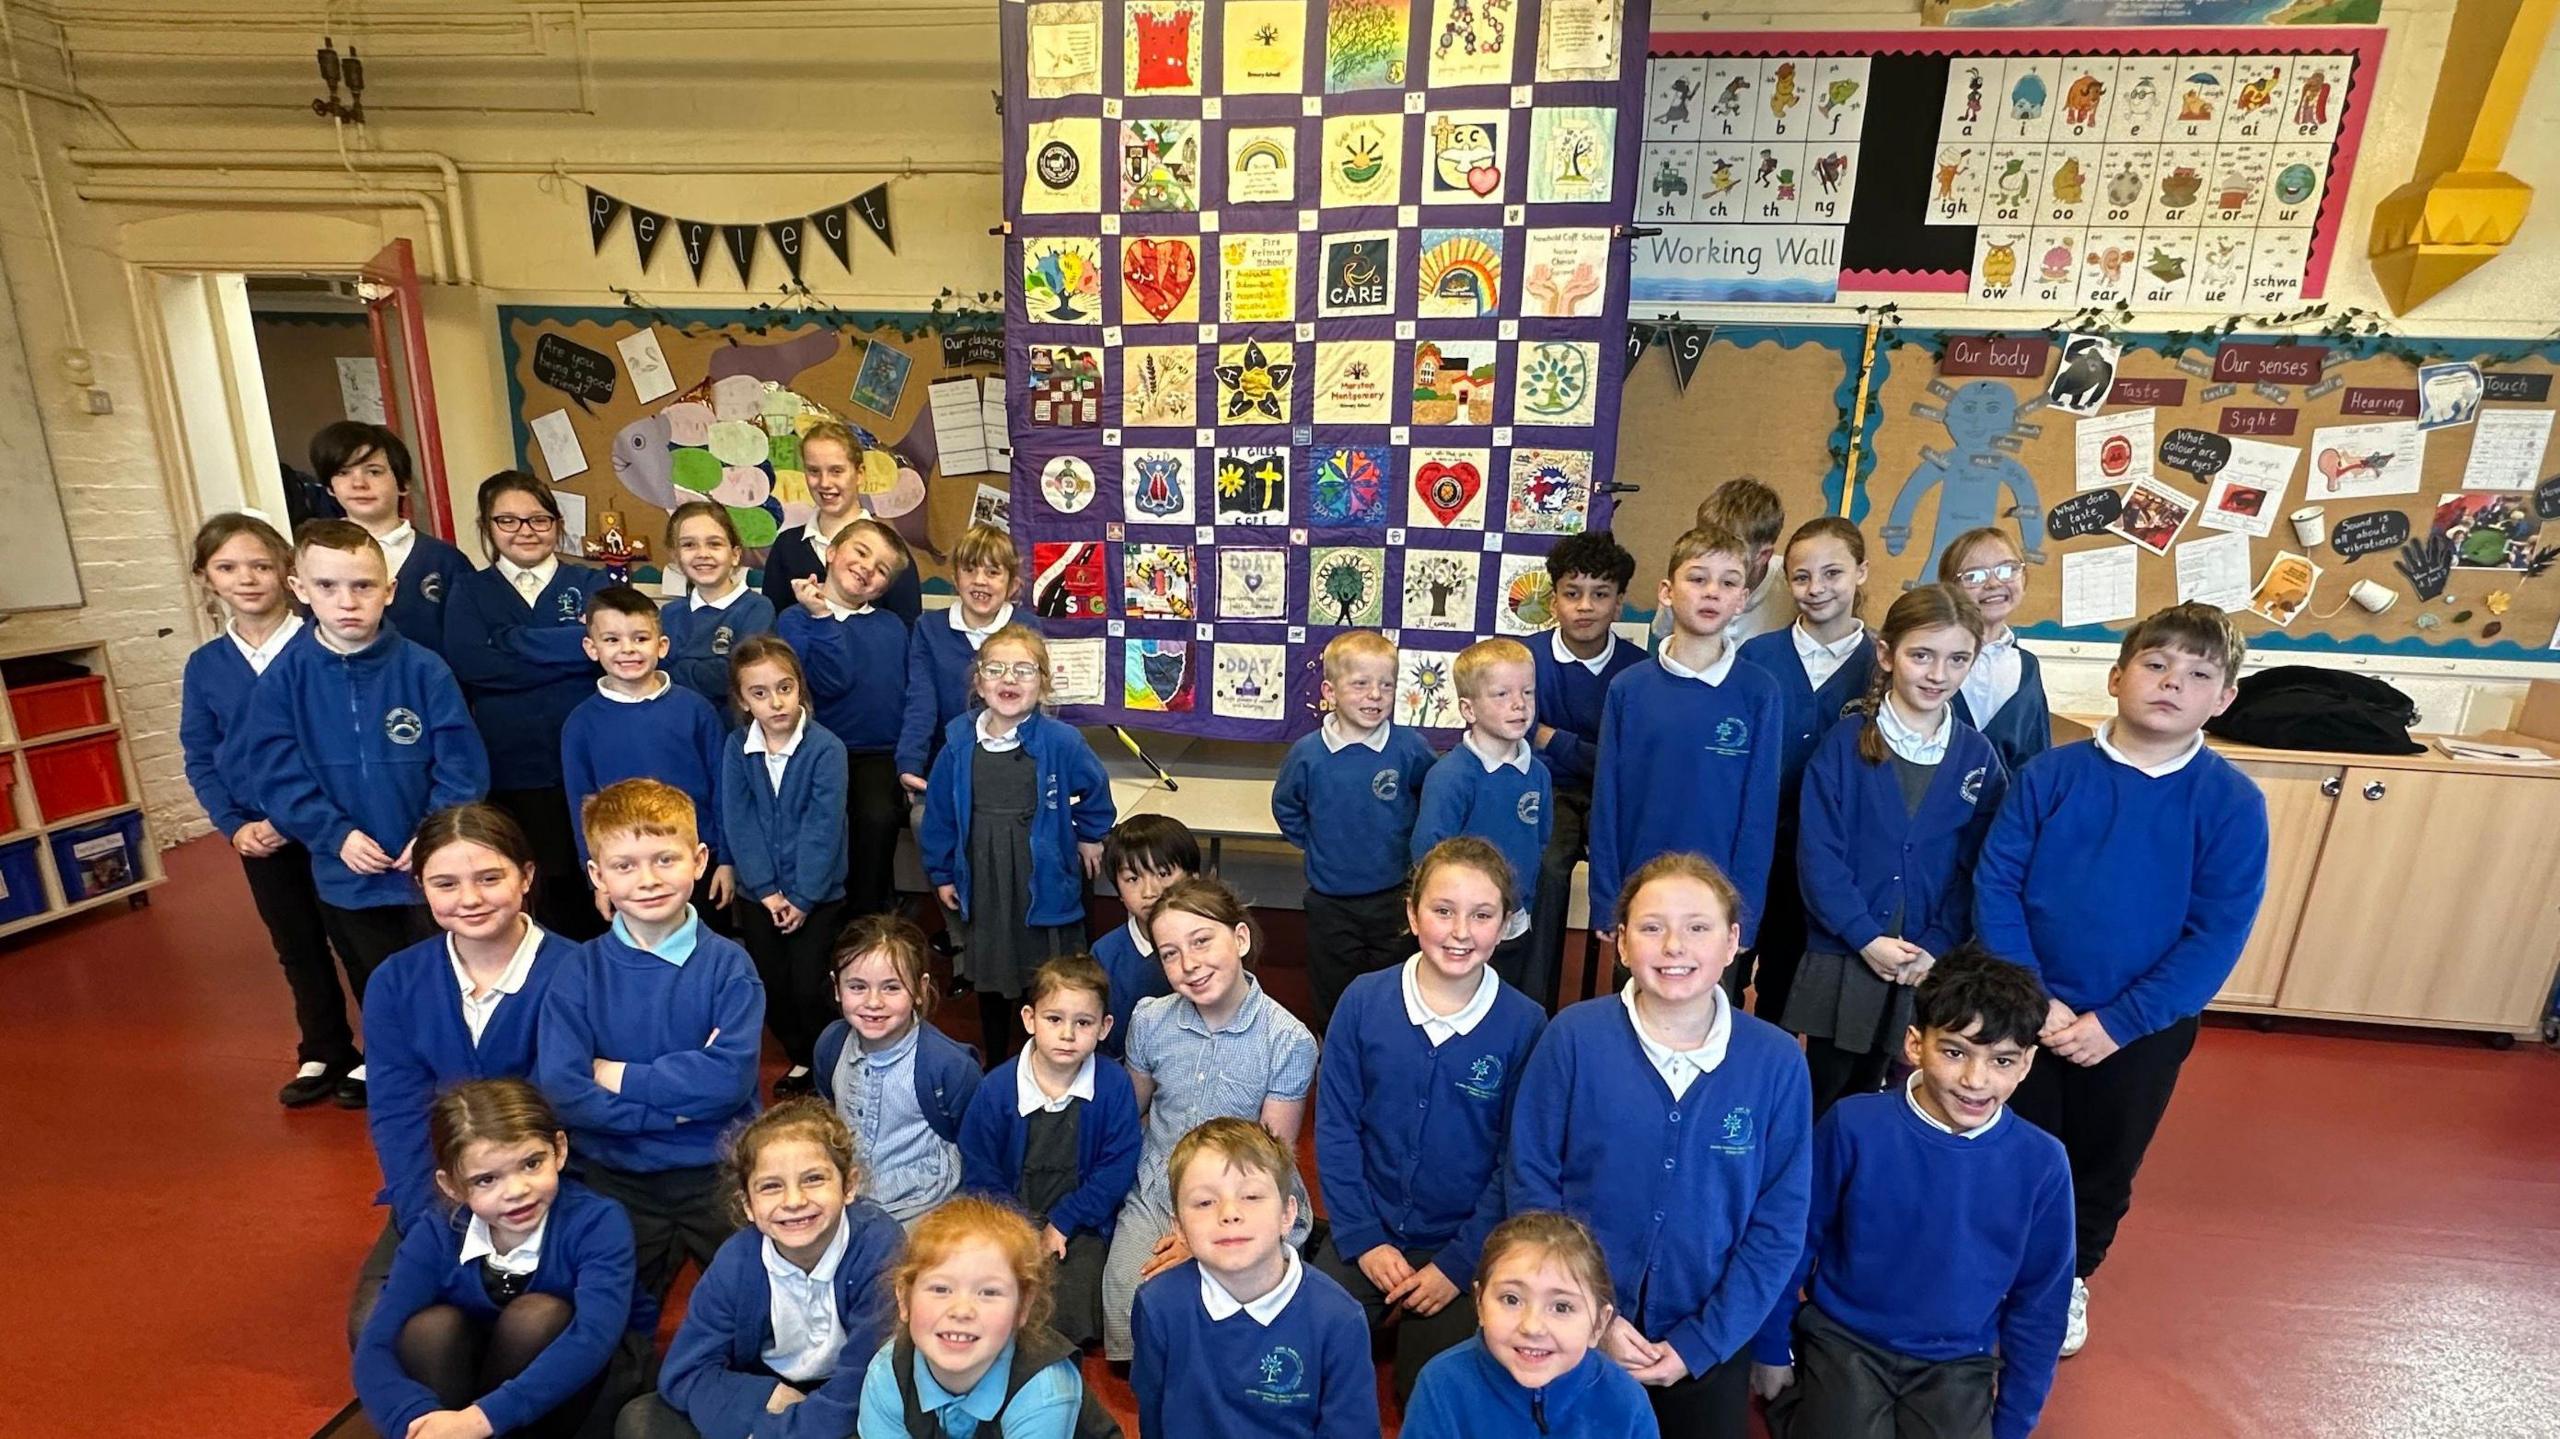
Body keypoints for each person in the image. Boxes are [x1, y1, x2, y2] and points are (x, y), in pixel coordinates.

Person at [1973, 601, 2268, 1357]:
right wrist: (2034, 998)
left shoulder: (2232, 802)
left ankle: (2068, 1278)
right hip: (2026, 1009)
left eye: (2199, 673)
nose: (2173, 682)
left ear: (2224, 696)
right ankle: (1990, 1271)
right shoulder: (2050, 775)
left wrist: (2120, 1022)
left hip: (2140, 1030)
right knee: (2010, 1146)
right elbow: (1998, 881)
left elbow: (2217, 932)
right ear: (2117, 676)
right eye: (2156, 663)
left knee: (2104, 1161)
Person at [1507, 853, 1813, 1439]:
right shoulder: (1572, 1037)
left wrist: (1702, 1341)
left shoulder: (1775, 1062)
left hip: (1706, 1334)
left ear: (1732, 943)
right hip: (1571, 1319)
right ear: (1621, 944)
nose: (1674, 945)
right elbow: (1532, 1183)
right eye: (1651, 927)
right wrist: (1594, 1317)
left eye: (1697, 927)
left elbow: (1779, 1224)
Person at [1752, 948, 2074, 1439]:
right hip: (1844, 1340)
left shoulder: (2043, 1163)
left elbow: (2040, 1303)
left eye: (2002, 1060)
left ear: (2026, 1064)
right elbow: (1794, 1239)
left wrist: (2011, 1423)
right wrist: (1771, 1348)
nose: (1975, 1080)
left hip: (1956, 1359)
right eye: (1954, 1051)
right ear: (1913, 1044)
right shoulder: (1853, 1125)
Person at [238, 519, 491, 1109]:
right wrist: (335, 835)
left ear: (390, 590)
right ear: (300, 588)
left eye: (363, 586)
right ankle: (394, 1068)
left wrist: (431, 833)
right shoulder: (285, 679)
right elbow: (276, 773)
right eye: (328, 587)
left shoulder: (424, 669)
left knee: (444, 971)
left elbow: (460, 763)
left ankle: (457, 1073)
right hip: (345, 869)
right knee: (374, 976)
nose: (347, 602)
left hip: (426, 868)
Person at [1313, 837, 1548, 1402]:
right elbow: (1337, 1129)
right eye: (1443, 911)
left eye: (1482, 915)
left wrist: (1458, 1263)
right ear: (1412, 913)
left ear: (1506, 924)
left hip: (1461, 1245)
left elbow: (1514, 1162)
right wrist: (1364, 1239)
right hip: (1365, 1230)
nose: (1460, 932)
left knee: (1430, 1389)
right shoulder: (1363, 1001)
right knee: (1310, 1354)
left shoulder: (1526, 1024)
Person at [355, 804, 579, 1343]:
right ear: (421, 887)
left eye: (489, 878)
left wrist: (515, 1211)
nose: (470, 899)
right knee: (386, 1332)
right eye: (445, 883)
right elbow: (398, 1116)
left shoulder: (580, 972)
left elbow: (576, 1113)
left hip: (548, 1198)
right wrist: (437, 1216)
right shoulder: (396, 982)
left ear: (526, 877)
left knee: (529, 1331)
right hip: (445, 1197)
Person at [536, 778, 765, 1301]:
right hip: (616, 1177)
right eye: (624, 866)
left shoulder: (730, 966)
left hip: (719, 1172)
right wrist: (675, 1110)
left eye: (665, 859)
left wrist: (614, 1074)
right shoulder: (579, 972)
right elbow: (566, 1090)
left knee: (754, 1307)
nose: (647, 880)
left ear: (699, 859)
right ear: (597, 874)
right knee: (611, 1315)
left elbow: (727, 1081)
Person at [1787, 584, 2006, 1117]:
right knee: (1829, 1092)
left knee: (1902, 1096)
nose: (1937, 674)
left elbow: (1977, 867)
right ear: (1887, 654)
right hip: (1847, 954)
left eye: (1957, 660)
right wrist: (1866, 937)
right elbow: (1819, 857)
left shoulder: (1978, 757)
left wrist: (1935, 945)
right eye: (1921, 655)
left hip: (1927, 964)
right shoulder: (1843, 745)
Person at [1101, 878, 1318, 1362]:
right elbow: (1129, 1113)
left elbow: (1272, 1158)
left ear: (1239, 939)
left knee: (1233, 1323)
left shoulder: (1288, 1039)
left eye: (1202, 942)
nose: (1190, 965)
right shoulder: (1151, 1019)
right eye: (1171, 953)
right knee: (1131, 1314)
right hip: (1160, 1185)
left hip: (1244, 1192)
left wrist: (1196, 1236)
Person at [353, 1079, 641, 1439]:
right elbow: (376, 1344)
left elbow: (593, 1339)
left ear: (559, 1150)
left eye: (532, 1163)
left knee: (536, 1317)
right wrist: (416, 1423)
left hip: (573, 1385)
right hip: (469, 1388)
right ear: (452, 1186)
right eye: (487, 1180)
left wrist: (478, 1422)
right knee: (430, 1328)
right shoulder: (438, 1232)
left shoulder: (597, 1222)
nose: (517, 1191)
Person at [179, 512, 344, 1107]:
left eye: (260, 565)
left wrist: (293, 818)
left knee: (355, 939)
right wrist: (234, 826)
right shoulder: (206, 666)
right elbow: (200, 753)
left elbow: (337, 745)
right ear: (207, 578)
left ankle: (385, 1053)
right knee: (295, 943)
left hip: (331, 826)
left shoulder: (323, 647)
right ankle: (324, 1048)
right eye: (227, 567)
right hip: (258, 834)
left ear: (288, 574)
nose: (246, 579)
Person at [619, 1099, 907, 1439]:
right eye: (771, 1186)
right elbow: (683, 1371)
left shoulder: (880, 1247)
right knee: (640, 1419)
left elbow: (861, 1382)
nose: (794, 1201)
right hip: (771, 1391)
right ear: (748, 1205)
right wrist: (764, 1396)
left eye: (813, 1179)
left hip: (851, 1399)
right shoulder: (737, 1262)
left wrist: (773, 1433)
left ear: (849, 1186)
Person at [1587, 525, 1786, 966]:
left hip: (1717, 905)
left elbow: (1758, 816)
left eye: (1728, 582)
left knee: (1708, 1024)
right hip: (1642, 898)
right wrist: (1606, 898)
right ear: (1666, 591)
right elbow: (1607, 803)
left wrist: (1745, 917)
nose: (1712, 592)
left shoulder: (1759, 692)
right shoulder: (1628, 688)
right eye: (1698, 579)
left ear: (1743, 599)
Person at [919, 624, 1114, 1066]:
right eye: (997, 668)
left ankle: (1047, 1053)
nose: (1009, 679)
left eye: (1024, 670)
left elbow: (1095, 790)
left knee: (1044, 967)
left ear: (1043, 683)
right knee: (991, 965)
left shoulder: (1061, 742)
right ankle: (996, 1056)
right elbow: (940, 815)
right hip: (985, 872)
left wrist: (1088, 835)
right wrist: (942, 870)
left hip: (1041, 873)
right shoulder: (958, 742)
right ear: (979, 681)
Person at [1130, 1118, 1380, 1439]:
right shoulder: (1157, 1305)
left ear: (1288, 1215)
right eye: (1205, 1202)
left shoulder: (1339, 1318)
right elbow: (1153, 1416)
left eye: (1251, 1197)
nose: (1229, 1213)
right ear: (1179, 1228)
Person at [444, 472, 610, 939]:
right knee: (533, 890)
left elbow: (606, 656)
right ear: (488, 527)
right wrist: (571, 649)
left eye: (538, 519)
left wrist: (511, 641)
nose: (525, 530)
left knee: (598, 882)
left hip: (589, 766)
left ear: (558, 524)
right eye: (509, 521)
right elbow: (473, 663)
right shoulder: (470, 590)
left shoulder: (590, 583)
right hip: (510, 770)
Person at [956, 955, 1142, 1349]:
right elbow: (980, 1170)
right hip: (1007, 1215)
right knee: (986, 1281)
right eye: (1054, 1019)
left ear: (1105, 1027)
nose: (1068, 1035)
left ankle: (1049, 1364)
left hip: (1080, 1221)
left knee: (1078, 1292)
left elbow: (1116, 1167)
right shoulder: (996, 1088)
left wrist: (1064, 1221)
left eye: (1083, 1023)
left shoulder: (1112, 1085)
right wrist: (1022, 1227)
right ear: (1029, 1019)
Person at [1736, 518, 1877, 1021]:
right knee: (1726, 970)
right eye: (1801, 576)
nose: (1816, 589)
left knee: (1787, 985)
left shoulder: (1882, 664)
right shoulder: (1756, 657)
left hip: (1828, 858)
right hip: (1751, 847)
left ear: (1861, 572)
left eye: (1833, 573)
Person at [1272, 630, 1439, 1030]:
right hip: (1331, 900)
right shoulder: (1308, 753)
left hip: (1394, 894)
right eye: (1360, 684)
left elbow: (1432, 791)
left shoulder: (1408, 746)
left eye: (1386, 685)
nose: (1375, 695)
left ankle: (1389, 1043)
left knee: (1395, 982)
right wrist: (1314, 844)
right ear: (1329, 691)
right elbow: (1287, 806)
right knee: (1333, 984)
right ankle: (1335, 1045)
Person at [855, 1196, 1121, 1438]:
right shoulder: (887, 1372)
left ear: (1023, 1307)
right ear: (904, 1299)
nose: (961, 1310)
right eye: (940, 1289)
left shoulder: (1043, 1388)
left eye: (989, 1292)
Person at [719, 635, 849, 1097]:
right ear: (742, 700)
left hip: (816, 894)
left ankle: (829, 1062)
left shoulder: (826, 748)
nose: (775, 702)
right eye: (759, 693)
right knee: (771, 984)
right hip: (761, 894)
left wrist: (801, 897)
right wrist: (766, 889)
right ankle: (800, 1057)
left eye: (784, 688)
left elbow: (823, 827)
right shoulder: (737, 748)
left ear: (800, 689)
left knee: (810, 985)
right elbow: (738, 818)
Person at [1400, 1212, 1658, 1439]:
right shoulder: (1441, 1384)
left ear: (1599, 1325)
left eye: (1561, 1307)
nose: (1532, 1327)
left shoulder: (1626, 1401)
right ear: (1480, 1304)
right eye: (1511, 1299)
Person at [1525, 531, 1644, 1012]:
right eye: (1573, 594)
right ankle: (1538, 1006)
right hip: (1547, 791)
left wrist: (1555, 739)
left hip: (1616, 794)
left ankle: (1625, 1009)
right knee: (1548, 869)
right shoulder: (1527, 659)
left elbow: (1627, 759)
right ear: (1554, 602)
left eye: (1600, 594)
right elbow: (1519, 732)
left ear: (1619, 603)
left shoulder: (1637, 669)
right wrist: (1590, 750)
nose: (1585, 606)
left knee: (1630, 881)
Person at [774, 515, 914, 918]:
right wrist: (821, 617)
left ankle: (869, 919)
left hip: (877, 754)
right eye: (861, 552)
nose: (867, 568)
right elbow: (827, 682)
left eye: (882, 569)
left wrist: (910, 760)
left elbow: (909, 696)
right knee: (822, 829)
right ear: (831, 553)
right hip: (815, 752)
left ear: (885, 587)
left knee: (876, 820)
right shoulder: (794, 620)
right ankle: (819, 918)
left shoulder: (891, 627)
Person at [561, 586, 731, 908]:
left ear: (662, 645)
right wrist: (594, 873)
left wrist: (728, 859)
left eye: (640, 638)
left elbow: (723, 787)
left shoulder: (696, 710)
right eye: (612, 640)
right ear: (591, 647)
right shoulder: (580, 724)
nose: (627, 650)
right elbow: (580, 804)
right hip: (623, 870)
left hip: (697, 863)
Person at [811, 914, 983, 1225]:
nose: (873, 1002)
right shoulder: (831, 1045)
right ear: (838, 988)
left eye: (891, 987)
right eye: (857, 986)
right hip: (849, 1201)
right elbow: (829, 1113)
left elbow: (978, 1150)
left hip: (925, 1208)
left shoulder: (948, 1066)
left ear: (920, 989)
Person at [1412, 637, 1552, 991]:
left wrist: (1523, 906)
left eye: (1528, 692)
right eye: (1502, 694)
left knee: (1508, 1005)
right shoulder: (1451, 776)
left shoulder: (1537, 773)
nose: (1519, 704)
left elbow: (1540, 840)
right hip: (1461, 932)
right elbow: (1428, 854)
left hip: (1515, 922)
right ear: (1469, 709)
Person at [897, 523, 1036, 804]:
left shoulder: (1026, 628)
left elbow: (1036, 703)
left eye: (993, 572)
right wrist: (910, 762)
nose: (980, 580)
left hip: (1013, 759)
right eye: (970, 570)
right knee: (927, 824)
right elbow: (921, 702)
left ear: (1011, 584)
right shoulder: (929, 628)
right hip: (946, 758)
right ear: (955, 577)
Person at [313, 420, 468, 658]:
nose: (358, 484)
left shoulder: (446, 562)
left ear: (403, 483)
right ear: (330, 487)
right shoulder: (313, 559)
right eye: (343, 473)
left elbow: (468, 649)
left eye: (373, 471)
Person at [761, 420, 924, 624]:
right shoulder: (787, 547)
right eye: (814, 471)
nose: (824, 483)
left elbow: (907, 632)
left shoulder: (890, 552)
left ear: (860, 474)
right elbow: (771, 630)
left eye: (836, 471)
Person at [1940, 526, 2052, 776]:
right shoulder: (1930, 661)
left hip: (2005, 810)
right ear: (1949, 588)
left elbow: (2036, 759)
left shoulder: (2027, 667)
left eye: (2007, 569)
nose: (1993, 583)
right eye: (1974, 576)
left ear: (2024, 578)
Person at [1088, 816, 1196, 1062]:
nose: (1150, 892)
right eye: (1133, 879)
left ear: (1193, 878)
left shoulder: (1212, 945)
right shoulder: (1105, 954)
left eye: (1163, 873)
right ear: (1119, 892)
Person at [658, 501, 775, 725]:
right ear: (676, 556)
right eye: (689, 545)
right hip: (678, 728)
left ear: (735, 555)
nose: (703, 554)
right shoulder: (669, 614)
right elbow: (655, 674)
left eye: (714, 544)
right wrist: (712, 665)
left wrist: (679, 667)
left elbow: (734, 677)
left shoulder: (757, 609)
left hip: (733, 735)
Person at [1653, 478, 1785, 650]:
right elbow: (1663, 634)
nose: (1713, 557)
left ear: (1763, 555)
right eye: (1706, 543)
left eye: (1732, 548)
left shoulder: (1790, 587)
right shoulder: (1689, 576)